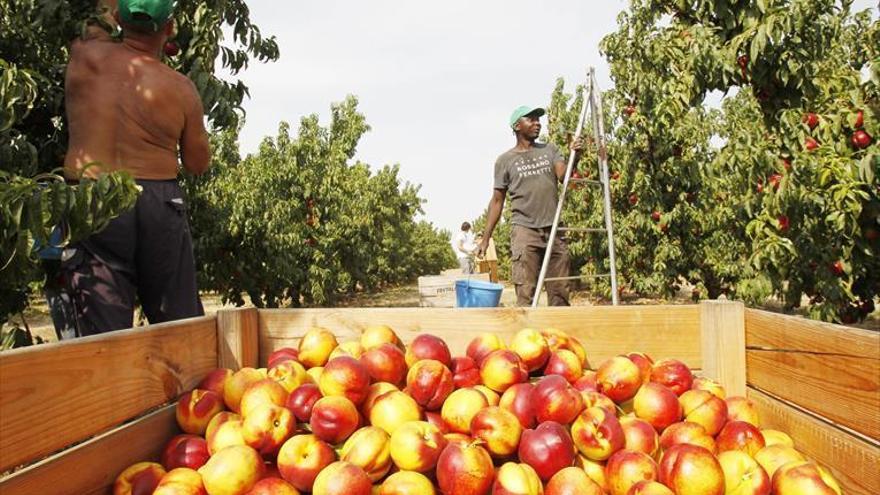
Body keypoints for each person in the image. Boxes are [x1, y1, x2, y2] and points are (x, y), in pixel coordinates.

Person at [61, 0, 211, 336]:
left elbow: (96, 14)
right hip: (158, 200)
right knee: (178, 325)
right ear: (169, 28)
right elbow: (197, 164)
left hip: (93, 195)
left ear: (117, 17)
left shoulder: (85, 55)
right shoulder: (180, 88)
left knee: (102, 332)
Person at [477, 106, 581, 306]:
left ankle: (558, 336)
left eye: (538, 120)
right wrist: (485, 238)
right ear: (517, 126)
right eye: (531, 120)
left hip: (554, 229)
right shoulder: (505, 161)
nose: (537, 123)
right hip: (525, 231)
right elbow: (497, 200)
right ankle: (526, 335)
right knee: (526, 292)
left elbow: (563, 176)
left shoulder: (550, 150)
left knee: (560, 292)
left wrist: (575, 155)